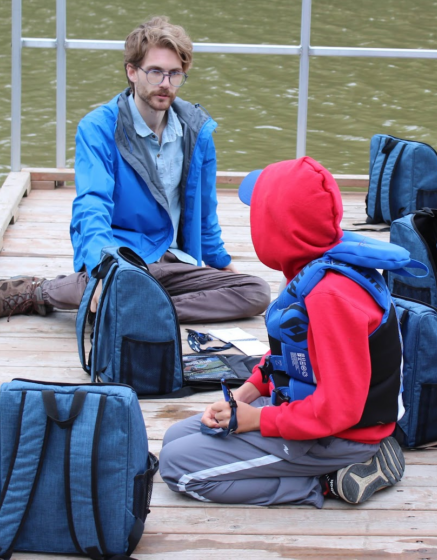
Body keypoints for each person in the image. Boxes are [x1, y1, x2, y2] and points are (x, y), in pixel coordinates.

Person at [0, 17, 271, 323]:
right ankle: (42, 292)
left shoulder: (198, 132)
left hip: (176, 262)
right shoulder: (99, 128)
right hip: (121, 257)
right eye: (155, 72)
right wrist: (101, 268)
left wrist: (219, 262)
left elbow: (205, 211)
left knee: (255, 292)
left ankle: (134, 309)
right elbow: (92, 205)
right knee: (119, 283)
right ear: (132, 71)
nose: (165, 84)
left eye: (174, 74)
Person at [158, 157, 406, 507]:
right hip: (301, 411)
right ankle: (309, 466)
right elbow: (290, 355)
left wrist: (258, 419)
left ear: (274, 226)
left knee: (177, 467)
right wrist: (243, 397)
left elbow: (340, 410)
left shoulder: (330, 296)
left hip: (340, 436)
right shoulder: (310, 267)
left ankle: (324, 482)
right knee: (175, 438)